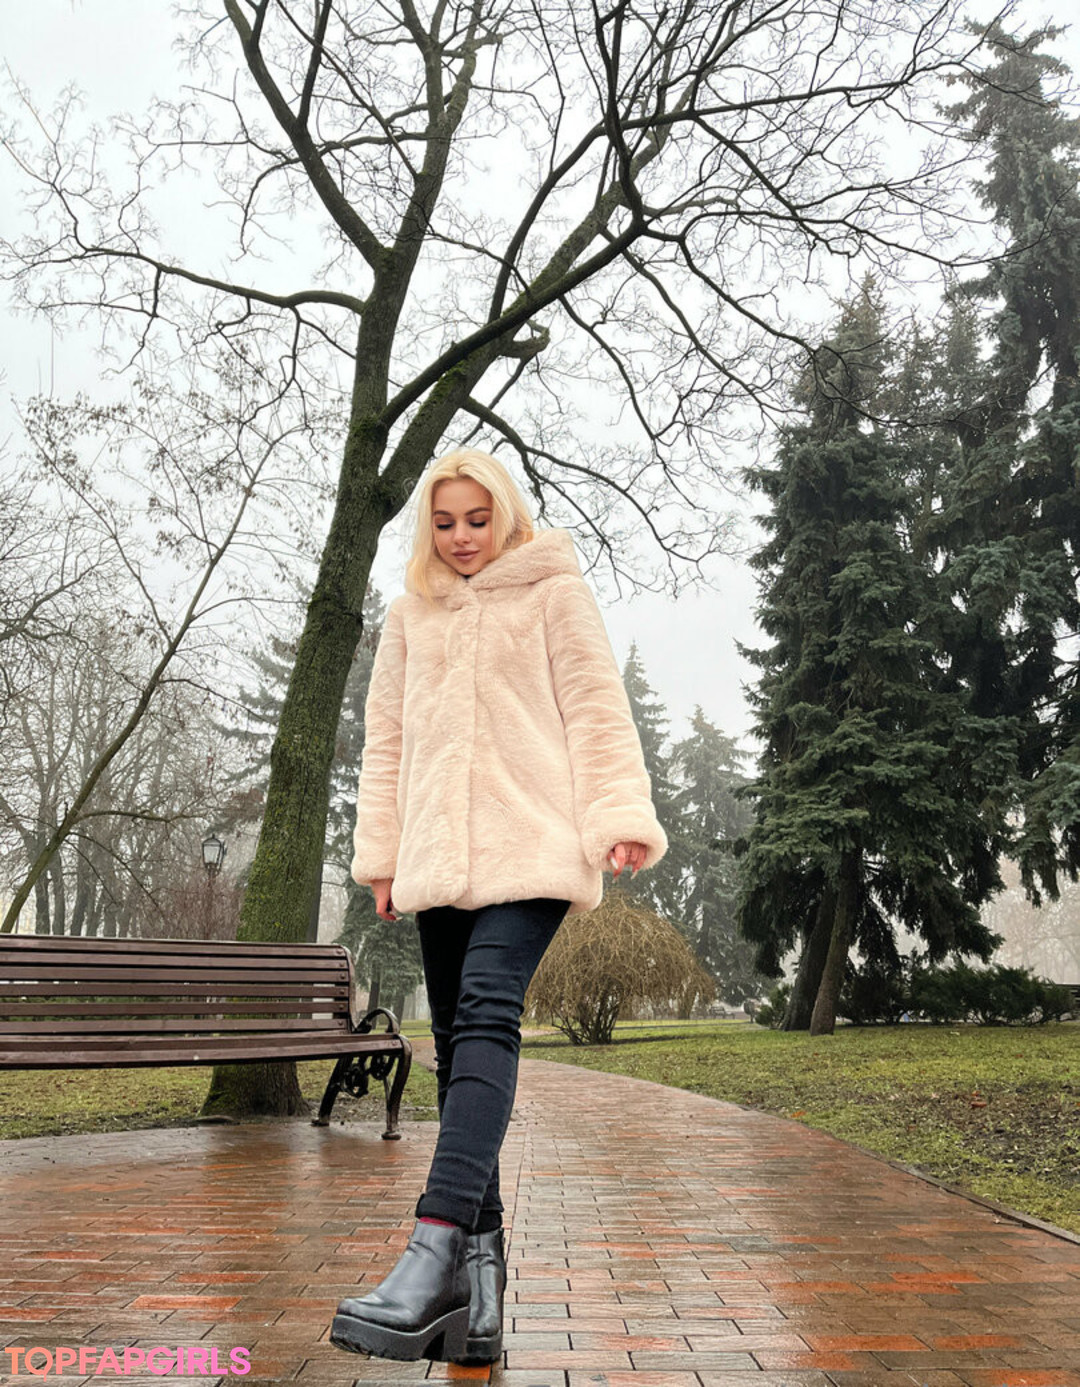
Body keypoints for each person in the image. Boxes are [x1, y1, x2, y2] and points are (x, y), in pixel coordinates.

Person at [330, 447, 667, 1365]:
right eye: (445, 522)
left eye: (478, 519)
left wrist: (618, 815)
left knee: (485, 1010)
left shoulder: (554, 590)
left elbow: (596, 707)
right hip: (437, 856)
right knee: (454, 1045)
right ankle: (476, 1300)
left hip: (535, 844)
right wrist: (383, 855)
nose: (462, 536)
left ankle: (431, 1246)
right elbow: (386, 738)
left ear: (506, 514)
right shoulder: (411, 614)